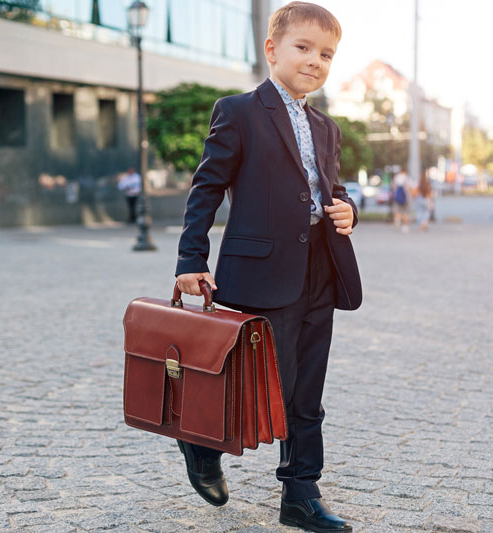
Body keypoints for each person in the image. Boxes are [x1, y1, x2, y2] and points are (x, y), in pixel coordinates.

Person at [173, 3, 361, 532]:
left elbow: (333, 190)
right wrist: (191, 259)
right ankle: (202, 442)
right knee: (251, 382)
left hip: (319, 273)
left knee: (307, 391)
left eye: (326, 54)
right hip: (260, 274)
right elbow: (206, 189)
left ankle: (301, 492)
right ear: (272, 50)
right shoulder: (239, 111)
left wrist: (348, 211)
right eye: (304, 48)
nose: (316, 61)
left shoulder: (326, 128)